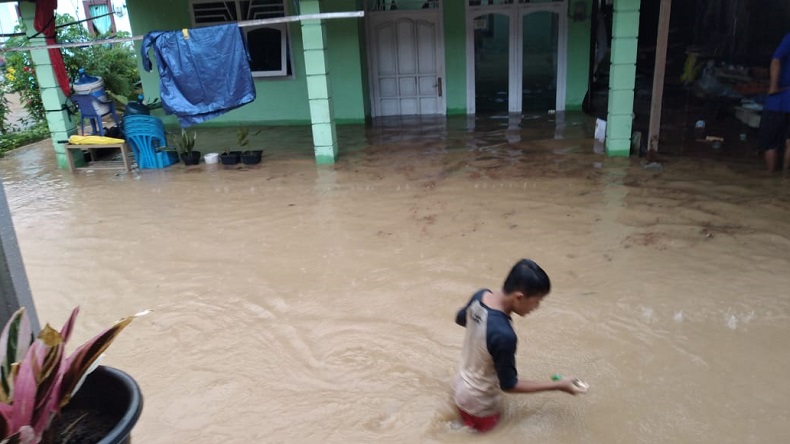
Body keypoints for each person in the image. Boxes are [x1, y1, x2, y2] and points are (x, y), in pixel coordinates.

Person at [453, 259, 586, 433]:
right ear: (518, 297)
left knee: (463, 428)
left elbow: (460, 318)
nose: (536, 307)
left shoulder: (481, 296)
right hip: (479, 403)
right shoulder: (504, 335)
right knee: (485, 436)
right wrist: (558, 385)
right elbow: (509, 385)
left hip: (460, 384)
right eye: (537, 301)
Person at [759, 32, 790, 173]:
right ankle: (784, 178)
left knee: (770, 144)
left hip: (778, 101)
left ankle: (770, 177)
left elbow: (776, 59)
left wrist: (773, 86)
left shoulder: (789, 38)